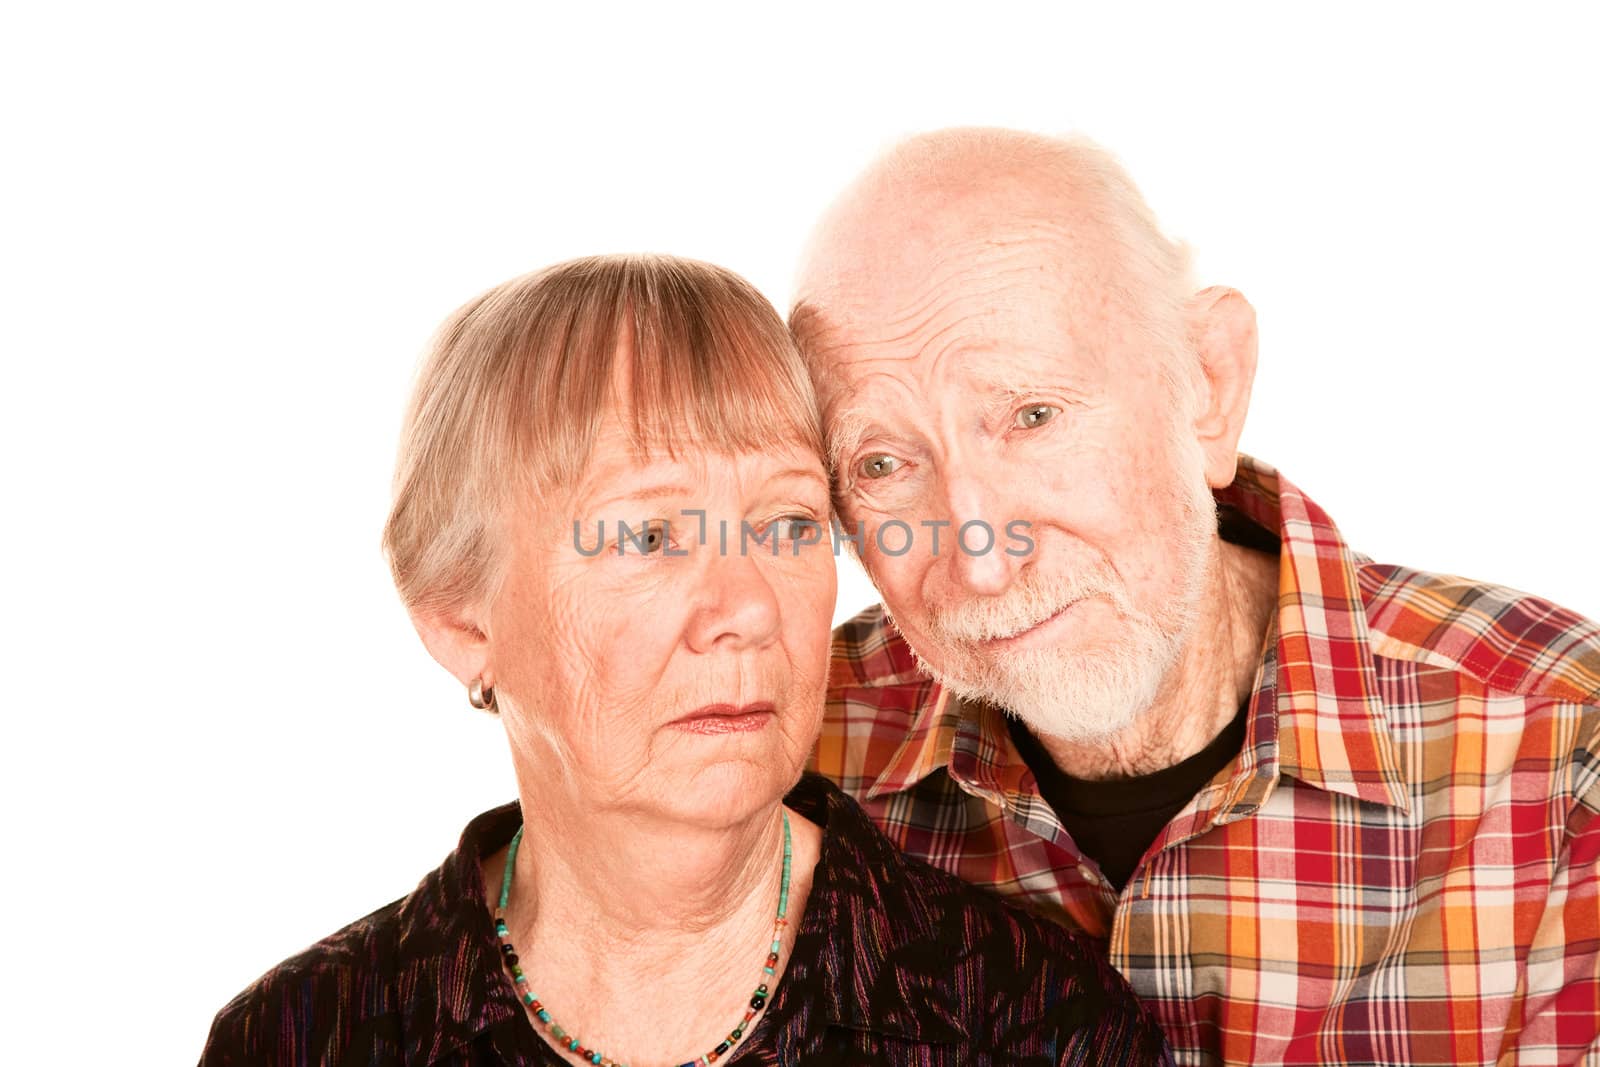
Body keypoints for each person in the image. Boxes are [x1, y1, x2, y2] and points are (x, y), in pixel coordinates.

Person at [197, 254, 1172, 1065]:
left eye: (789, 523)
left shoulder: (1030, 1020)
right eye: (648, 536)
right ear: (459, 618)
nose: (747, 608)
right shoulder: (303, 1038)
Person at [791, 128, 1600, 1066]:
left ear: (1208, 385)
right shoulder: (788, 749)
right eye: (884, 463)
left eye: (1032, 415)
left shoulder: (1562, 753)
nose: (981, 558)